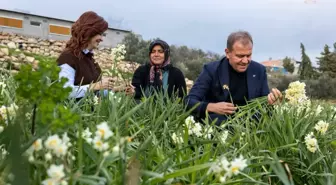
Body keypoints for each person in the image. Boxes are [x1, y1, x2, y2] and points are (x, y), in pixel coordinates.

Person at [185, 31, 282, 125]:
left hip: (249, 126)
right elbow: (189, 102)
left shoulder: (259, 70)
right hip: (218, 125)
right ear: (228, 53)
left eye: (248, 55)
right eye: (240, 56)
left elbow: (264, 105)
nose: (245, 61)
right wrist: (212, 107)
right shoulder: (211, 70)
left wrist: (272, 103)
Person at [57, 11, 133, 100]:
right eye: (99, 34)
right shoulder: (68, 57)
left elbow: (96, 93)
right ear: (89, 32)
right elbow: (65, 92)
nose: (101, 39)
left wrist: (119, 89)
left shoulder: (89, 59)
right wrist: (97, 85)